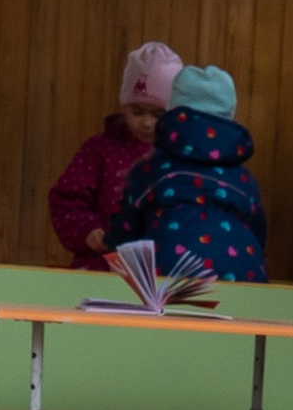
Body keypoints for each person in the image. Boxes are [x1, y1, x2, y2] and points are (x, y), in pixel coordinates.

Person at [106, 61, 269, 283]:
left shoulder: (150, 170)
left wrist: (109, 246)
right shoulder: (244, 180)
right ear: (229, 122)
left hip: (168, 276)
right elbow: (259, 235)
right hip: (243, 276)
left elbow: (124, 233)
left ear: (171, 115)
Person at [47, 42, 179, 268]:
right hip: (101, 267)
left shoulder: (180, 157)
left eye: (159, 114)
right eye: (137, 111)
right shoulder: (100, 149)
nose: (147, 123)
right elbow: (66, 198)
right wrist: (87, 231)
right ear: (124, 107)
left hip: (162, 271)